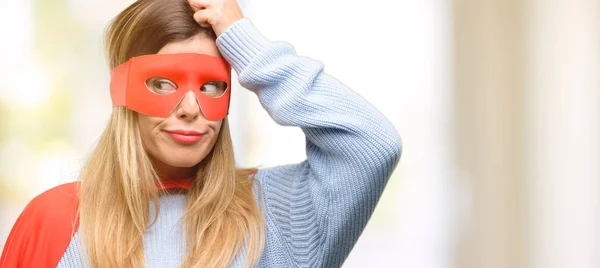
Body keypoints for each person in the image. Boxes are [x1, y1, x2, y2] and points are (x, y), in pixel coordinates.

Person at [0, 0, 402, 267]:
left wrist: (247, 44)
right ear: (122, 89)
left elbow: (372, 144)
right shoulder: (57, 220)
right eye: (163, 84)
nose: (191, 108)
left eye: (211, 86)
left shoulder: (279, 216)